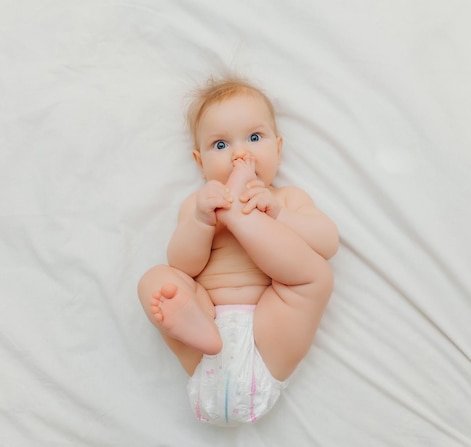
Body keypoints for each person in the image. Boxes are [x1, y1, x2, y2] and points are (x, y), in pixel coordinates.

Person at [137, 76, 339, 426]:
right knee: (158, 279)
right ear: (200, 162)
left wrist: (279, 215)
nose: (239, 153)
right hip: (207, 338)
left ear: (278, 147)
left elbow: (327, 242)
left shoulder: (285, 199)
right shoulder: (199, 206)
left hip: (268, 337)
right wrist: (202, 221)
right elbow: (183, 264)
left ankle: (243, 226)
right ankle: (194, 322)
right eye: (220, 145)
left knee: (315, 277)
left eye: (254, 138)